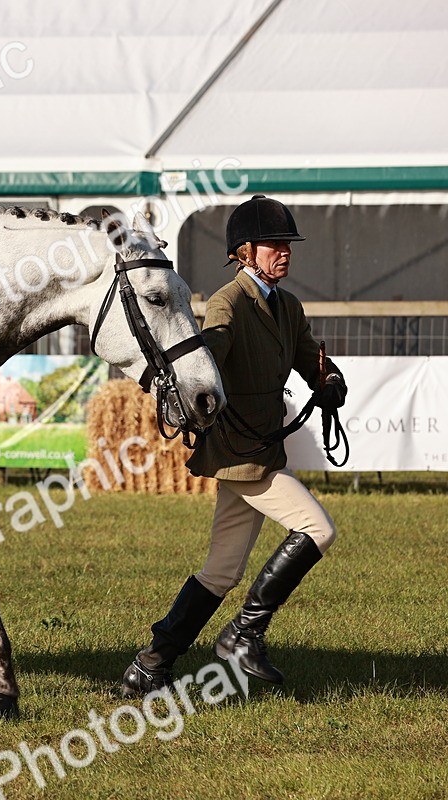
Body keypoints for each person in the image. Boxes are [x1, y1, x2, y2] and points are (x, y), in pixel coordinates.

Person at [122, 195, 348, 696]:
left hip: (262, 448)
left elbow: (310, 357)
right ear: (244, 251)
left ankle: (149, 665)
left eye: (287, 244)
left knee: (220, 572)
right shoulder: (228, 302)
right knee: (318, 528)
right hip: (240, 451)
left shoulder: (288, 305)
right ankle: (243, 633)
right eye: (274, 244)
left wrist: (329, 381)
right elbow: (210, 360)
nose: (285, 251)